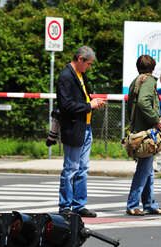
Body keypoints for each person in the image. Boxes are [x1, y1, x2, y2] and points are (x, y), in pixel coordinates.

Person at [56, 46, 105, 218]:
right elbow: (66, 105)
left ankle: (79, 205)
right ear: (80, 59)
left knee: (83, 168)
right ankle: (65, 206)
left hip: (85, 127)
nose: (89, 67)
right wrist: (88, 105)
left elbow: (81, 98)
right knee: (70, 168)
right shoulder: (66, 77)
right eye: (89, 64)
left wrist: (91, 100)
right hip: (74, 128)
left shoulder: (80, 75)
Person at [126, 55, 161, 216]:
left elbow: (133, 104)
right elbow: (144, 102)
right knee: (143, 170)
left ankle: (149, 203)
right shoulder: (149, 81)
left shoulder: (136, 81)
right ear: (153, 67)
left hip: (138, 131)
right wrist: (155, 119)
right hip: (146, 133)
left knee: (148, 170)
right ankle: (132, 204)